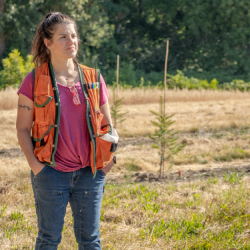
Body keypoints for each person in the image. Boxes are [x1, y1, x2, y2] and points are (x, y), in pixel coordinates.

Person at [16, 12, 115, 250]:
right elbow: (21, 128)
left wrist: (109, 159)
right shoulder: (34, 80)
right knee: (49, 240)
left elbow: (108, 126)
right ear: (47, 43)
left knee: (90, 240)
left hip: (90, 173)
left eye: (73, 35)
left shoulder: (93, 78)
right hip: (50, 172)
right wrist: (36, 167)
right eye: (63, 37)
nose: (71, 41)